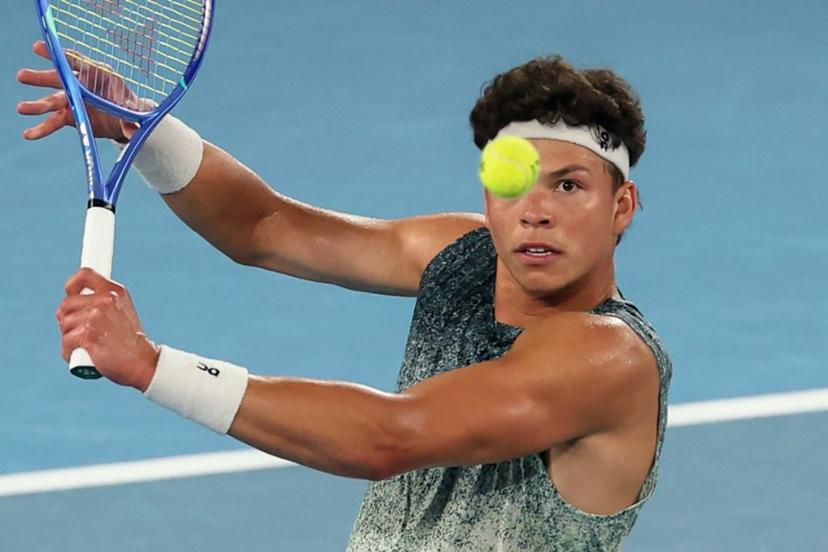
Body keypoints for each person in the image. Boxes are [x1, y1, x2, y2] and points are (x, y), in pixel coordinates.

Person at [18, 41, 671, 551]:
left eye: (569, 186)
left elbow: (387, 437)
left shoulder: (607, 358)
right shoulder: (465, 255)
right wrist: (143, 128)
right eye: (514, 182)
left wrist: (151, 365)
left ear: (622, 206)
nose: (535, 213)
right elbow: (265, 227)